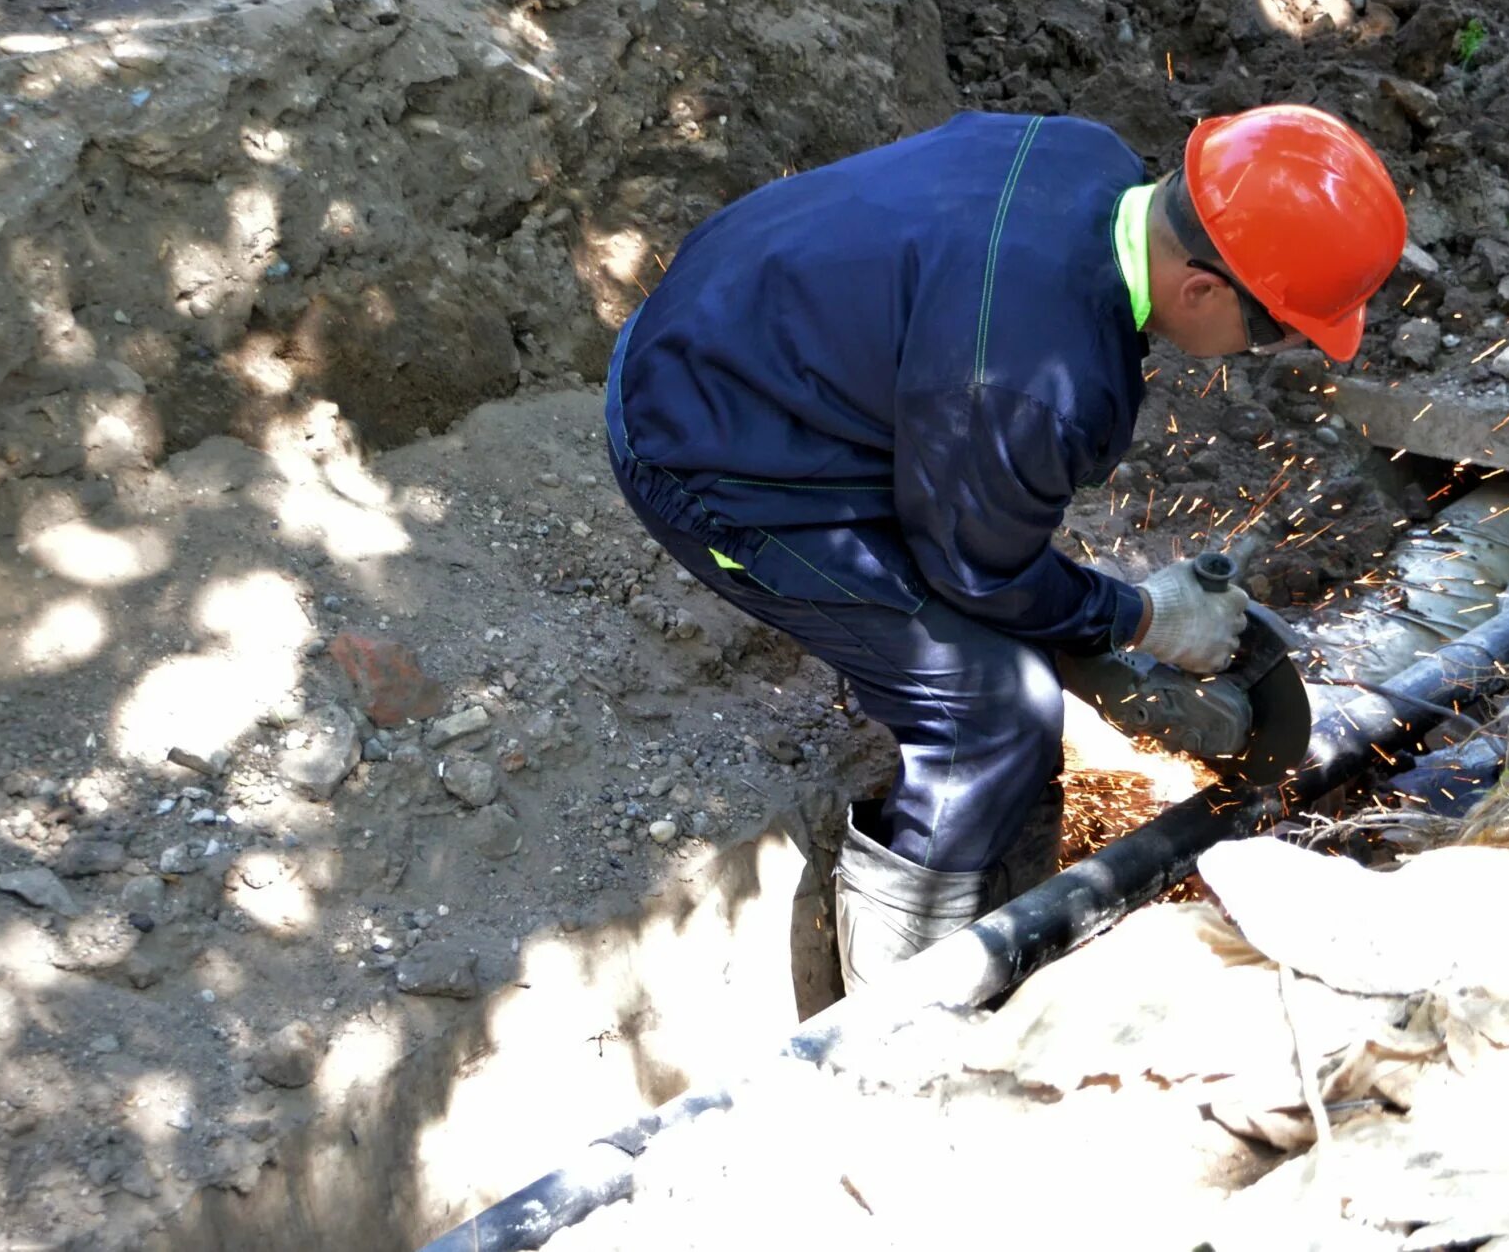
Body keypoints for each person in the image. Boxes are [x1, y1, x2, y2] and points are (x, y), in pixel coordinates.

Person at [602, 104, 1408, 994]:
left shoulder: (1082, 149)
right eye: (1277, 329)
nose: (1278, 349)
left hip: (732, 338)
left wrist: (1077, 613)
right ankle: (898, 1018)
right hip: (706, 456)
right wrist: (1144, 616)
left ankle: (1002, 898)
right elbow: (980, 571)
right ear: (1205, 288)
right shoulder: (1038, 384)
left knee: (1007, 627)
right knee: (991, 714)